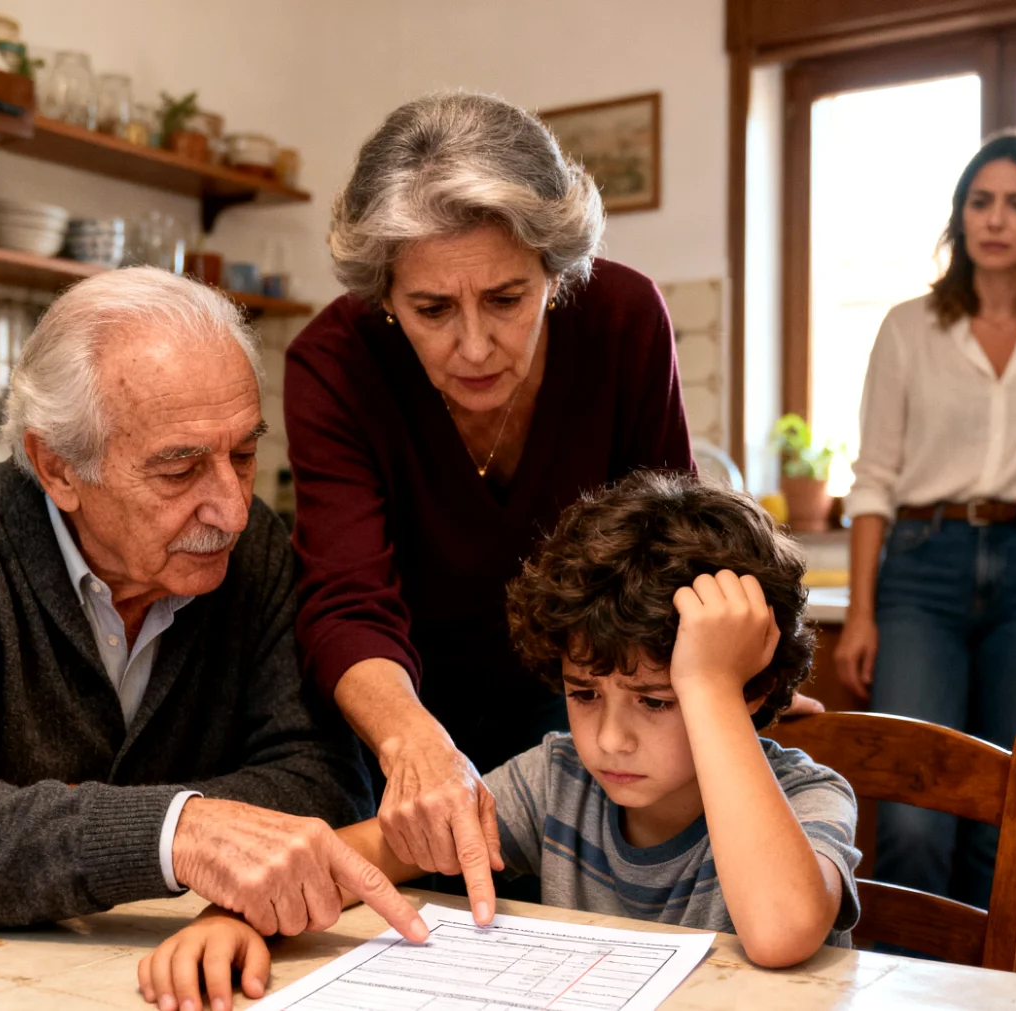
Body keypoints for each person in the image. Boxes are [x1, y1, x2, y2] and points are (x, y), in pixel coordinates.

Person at [0, 268, 426, 944]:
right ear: (58, 467)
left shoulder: (252, 548)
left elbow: (325, 784)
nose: (231, 509)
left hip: (139, 961)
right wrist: (174, 831)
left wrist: (149, 835)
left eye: (243, 453)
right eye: (179, 469)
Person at [136, 473, 862, 1011]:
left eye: (656, 700)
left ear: (753, 688)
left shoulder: (809, 796)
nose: (608, 737)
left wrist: (708, 686)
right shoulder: (558, 780)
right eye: (583, 692)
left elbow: (780, 931)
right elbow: (354, 857)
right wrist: (234, 915)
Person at [286, 91, 702, 918]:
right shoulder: (333, 363)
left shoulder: (623, 320)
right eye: (432, 310)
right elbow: (346, 597)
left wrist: (724, 677)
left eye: (508, 299)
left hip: (577, 700)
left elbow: (665, 552)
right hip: (395, 705)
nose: (473, 347)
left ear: (556, 269)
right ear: (385, 296)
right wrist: (410, 738)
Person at [835, 133, 1016, 908]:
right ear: (959, 217)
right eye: (979, 201)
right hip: (922, 567)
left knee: (1008, 816)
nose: (995, 219)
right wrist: (860, 612)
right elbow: (874, 478)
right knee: (919, 816)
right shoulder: (908, 326)